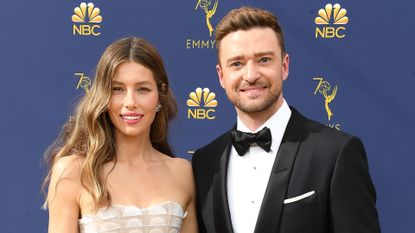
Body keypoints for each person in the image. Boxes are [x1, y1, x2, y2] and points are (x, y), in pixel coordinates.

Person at [191, 7, 381, 233]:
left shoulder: (335, 153)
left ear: (284, 66)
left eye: (263, 60)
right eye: (237, 64)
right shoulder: (205, 162)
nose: (250, 75)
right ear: (221, 76)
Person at [43, 37, 198, 233]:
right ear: (103, 96)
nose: (130, 101)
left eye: (143, 89)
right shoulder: (73, 172)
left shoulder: (183, 173)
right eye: (117, 89)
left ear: (160, 95)